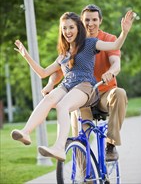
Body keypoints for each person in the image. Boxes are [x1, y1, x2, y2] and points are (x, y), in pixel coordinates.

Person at [11, 11, 134, 162]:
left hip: (85, 86)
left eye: (71, 28)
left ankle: (59, 148)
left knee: (63, 106)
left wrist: (124, 32)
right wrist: (26, 56)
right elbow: (43, 73)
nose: (67, 32)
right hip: (67, 86)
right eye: (64, 28)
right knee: (49, 99)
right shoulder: (64, 54)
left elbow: (115, 45)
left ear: (78, 28)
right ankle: (26, 132)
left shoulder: (90, 43)